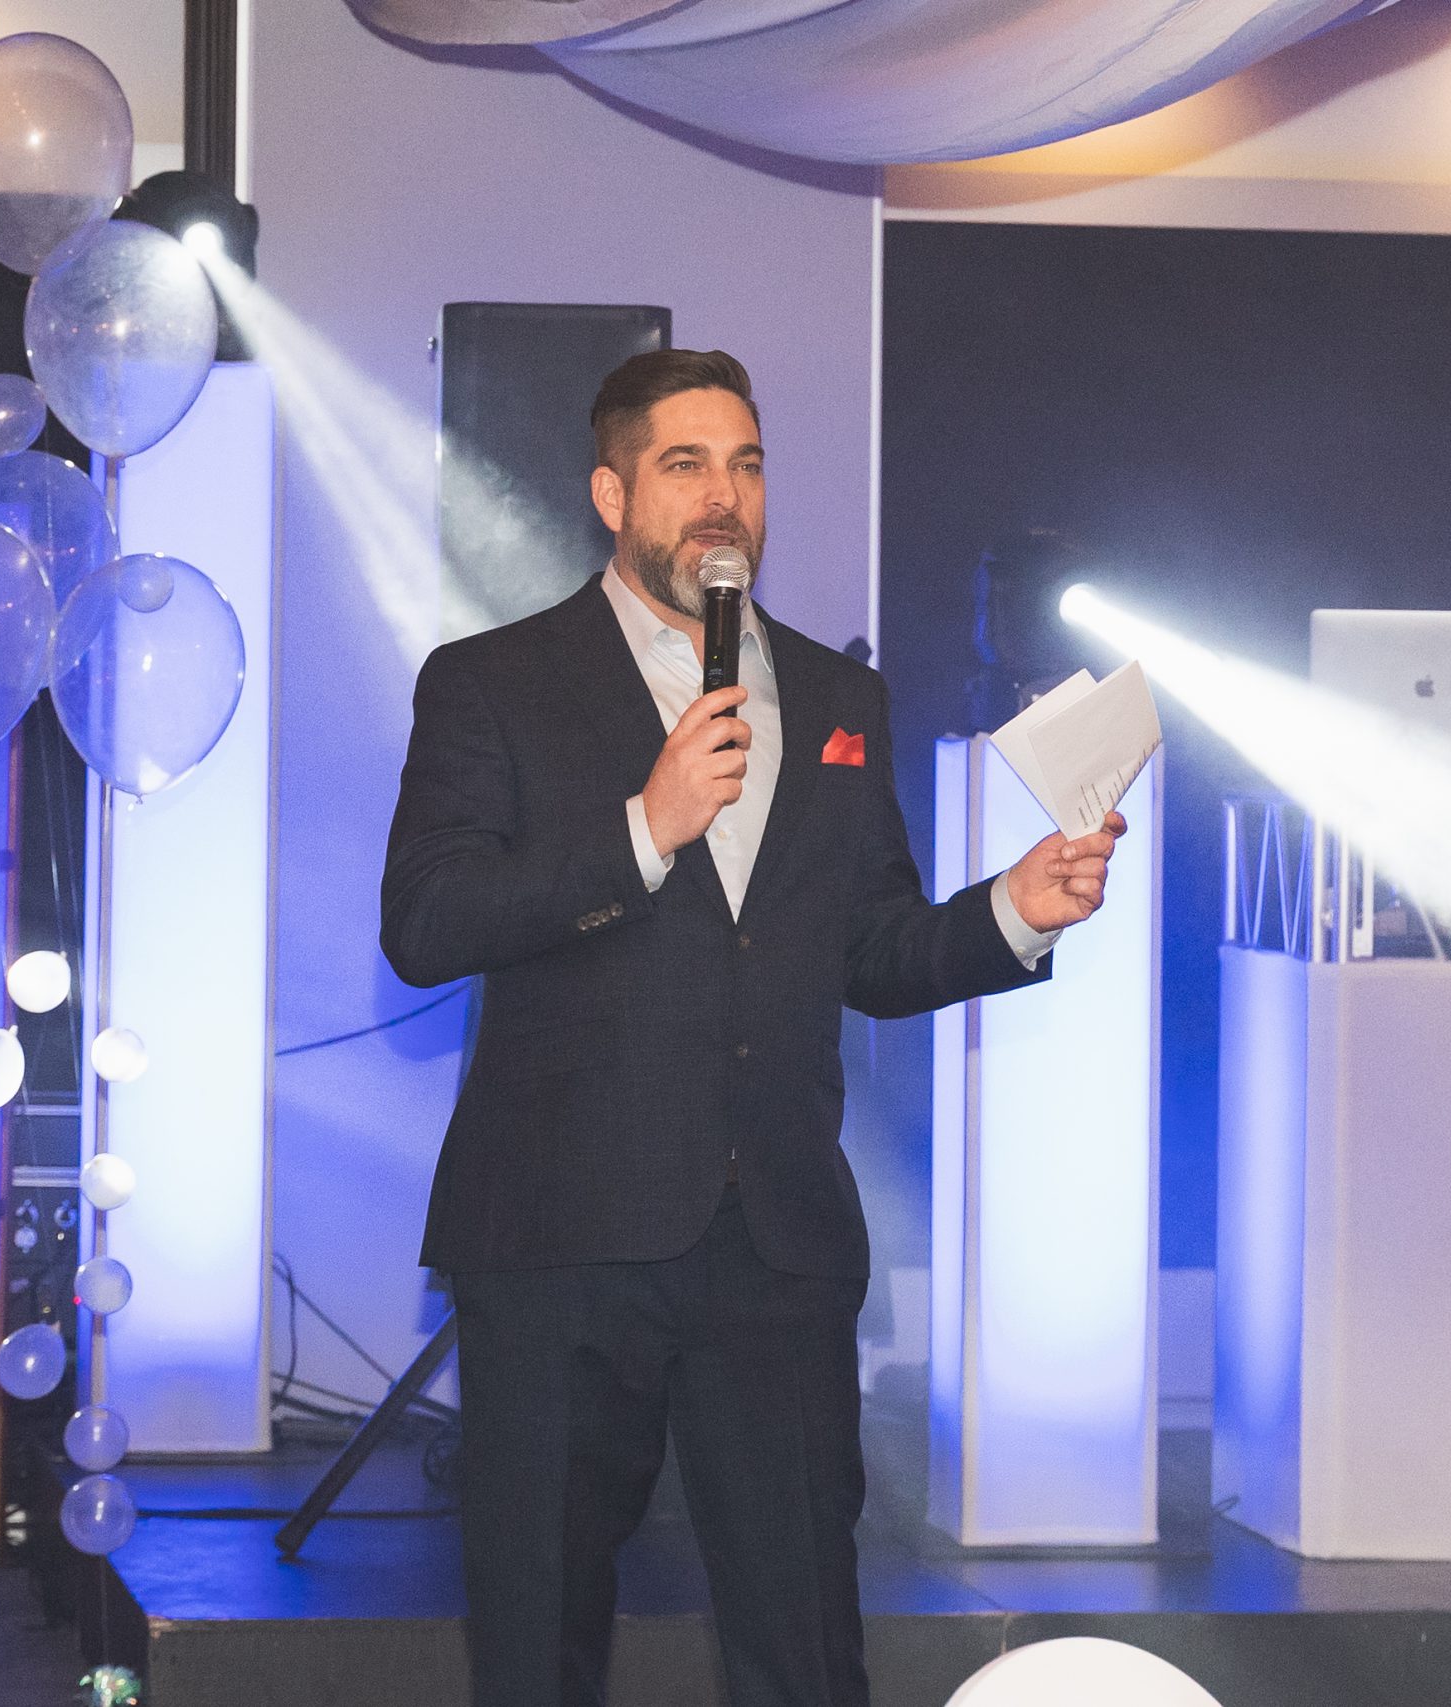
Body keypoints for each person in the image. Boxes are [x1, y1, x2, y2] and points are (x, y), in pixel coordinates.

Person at [380, 347, 1125, 1707]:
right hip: (559, 1241)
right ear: (613, 494)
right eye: (686, 465)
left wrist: (1012, 911)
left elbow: (873, 950)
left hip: (775, 1245)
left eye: (748, 464)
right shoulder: (494, 680)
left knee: (807, 1648)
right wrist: (643, 828)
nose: (725, 496)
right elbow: (425, 923)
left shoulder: (839, 702)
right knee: (538, 1643)